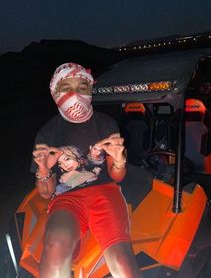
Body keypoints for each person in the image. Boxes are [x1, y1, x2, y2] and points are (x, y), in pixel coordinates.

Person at [32, 63, 142, 278]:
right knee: (54, 247)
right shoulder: (47, 132)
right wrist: (43, 168)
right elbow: (46, 192)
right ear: (55, 92)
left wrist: (119, 159)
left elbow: (116, 176)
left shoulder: (106, 123)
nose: (74, 94)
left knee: (121, 259)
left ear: (90, 90)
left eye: (82, 87)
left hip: (104, 192)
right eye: (67, 87)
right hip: (66, 198)